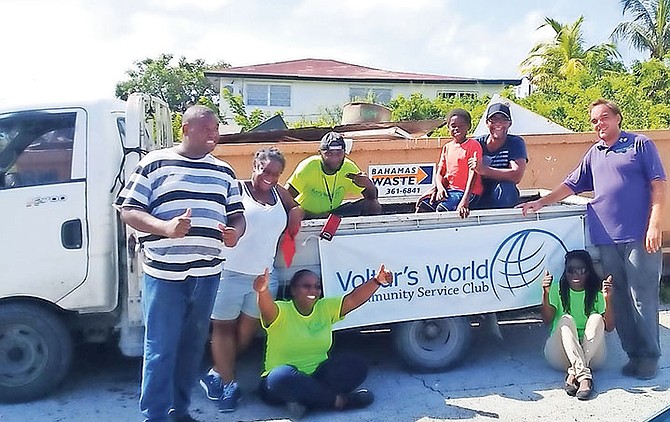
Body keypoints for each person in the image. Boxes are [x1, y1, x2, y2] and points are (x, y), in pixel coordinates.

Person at [115, 105, 246, 422]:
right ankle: (155, 416)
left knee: (191, 349)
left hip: (207, 275)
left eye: (216, 128)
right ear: (186, 129)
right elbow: (128, 210)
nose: (214, 133)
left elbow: (238, 216)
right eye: (207, 128)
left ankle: (180, 411)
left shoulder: (224, 171)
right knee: (161, 349)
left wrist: (235, 234)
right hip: (164, 276)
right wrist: (164, 228)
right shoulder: (154, 163)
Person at [521, 98, 666, 380]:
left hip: (639, 236)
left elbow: (658, 185)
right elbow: (571, 183)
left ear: (617, 118)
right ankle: (633, 355)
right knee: (618, 299)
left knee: (642, 298)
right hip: (606, 238)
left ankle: (649, 358)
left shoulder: (640, 144)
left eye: (603, 118)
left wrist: (655, 225)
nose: (599, 124)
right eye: (594, 121)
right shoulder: (595, 153)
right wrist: (542, 202)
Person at [200, 147, 303, 412]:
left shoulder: (279, 193)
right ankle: (228, 384)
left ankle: (215, 374)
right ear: (254, 165)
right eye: (265, 170)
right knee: (222, 330)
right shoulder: (236, 189)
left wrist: (295, 218)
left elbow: (295, 206)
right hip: (229, 273)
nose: (269, 177)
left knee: (246, 332)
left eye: (276, 173)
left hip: (264, 276)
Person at [254, 264, 393, 419]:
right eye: (306, 286)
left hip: (317, 375)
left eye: (317, 287)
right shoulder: (281, 310)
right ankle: (340, 402)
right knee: (280, 377)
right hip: (283, 383)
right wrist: (262, 291)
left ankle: (306, 401)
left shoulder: (325, 307)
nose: (313, 290)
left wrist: (377, 281)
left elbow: (353, 300)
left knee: (357, 364)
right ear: (293, 290)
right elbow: (266, 309)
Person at [541, 250, 614, 400]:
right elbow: (547, 321)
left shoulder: (597, 293)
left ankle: (575, 373)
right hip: (560, 355)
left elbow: (610, 327)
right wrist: (546, 293)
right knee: (566, 319)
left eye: (581, 270)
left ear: (588, 272)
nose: (575, 275)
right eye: (571, 270)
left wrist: (607, 299)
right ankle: (584, 377)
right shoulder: (557, 289)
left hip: (592, 355)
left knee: (596, 318)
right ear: (565, 271)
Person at [286, 131, 381, 218]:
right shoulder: (308, 167)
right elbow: (285, 198)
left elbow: (372, 198)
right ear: (320, 153)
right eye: (329, 154)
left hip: (333, 214)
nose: (335, 159)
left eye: (339, 153)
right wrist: (309, 215)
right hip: (307, 215)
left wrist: (368, 185)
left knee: (373, 206)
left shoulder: (348, 168)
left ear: (345, 153)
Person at [417, 108, 483, 218]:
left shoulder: (473, 145)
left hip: (469, 192)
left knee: (442, 209)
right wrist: (440, 188)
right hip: (450, 190)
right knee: (424, 205)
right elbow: (440, 173)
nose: (456, 128)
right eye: (453, 126)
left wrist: (465, 200)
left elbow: (474, 173)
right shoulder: (447, 147)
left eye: (461, 125)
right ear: (448, 127)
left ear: (468, 126)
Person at [468, 102, 528, 208]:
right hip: (477, 194)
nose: (498, 123)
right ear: (487, 123)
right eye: (494, 119)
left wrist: (483, 170)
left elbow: (516, 175)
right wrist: (439, 186)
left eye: (503, 119)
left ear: (510, 123)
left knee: (507, 188)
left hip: (501, 195)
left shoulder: (515, 143)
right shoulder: (476, 143)